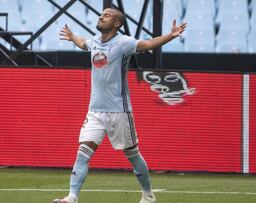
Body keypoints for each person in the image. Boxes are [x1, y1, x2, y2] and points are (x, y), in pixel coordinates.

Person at [53, 7, 186, 203]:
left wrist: (171, 35)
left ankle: (148, 195)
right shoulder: (95, 41)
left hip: (119, 111)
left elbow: (147, 44)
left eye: (106, 15)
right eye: (101, 14)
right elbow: (84, 44)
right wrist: (73, 37)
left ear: (116, 23)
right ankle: (72, 197)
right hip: (95, 111)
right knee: (83, 153)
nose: (101, 16)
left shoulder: (124, 43)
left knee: (132, 155)